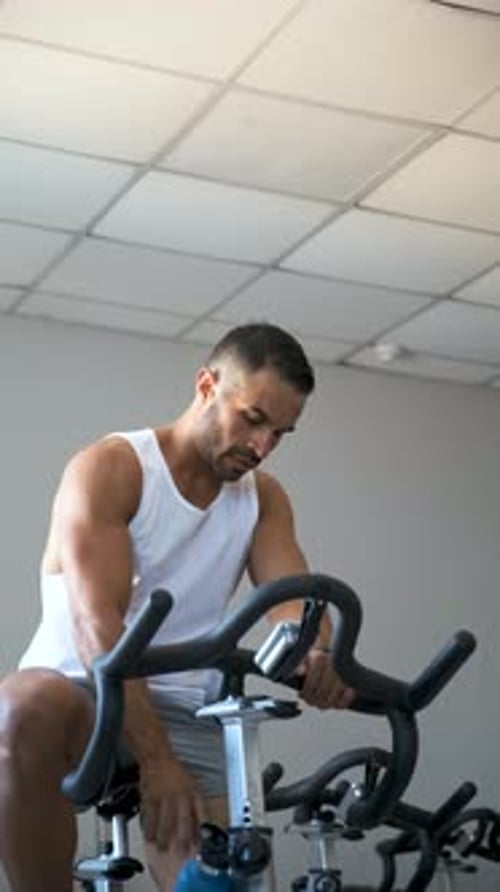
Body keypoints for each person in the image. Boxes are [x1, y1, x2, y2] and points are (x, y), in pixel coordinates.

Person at [0, 323, 354, 892]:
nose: (261, 447)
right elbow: (100, 630)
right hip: (88, 694)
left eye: (281, 434)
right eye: (253, 419)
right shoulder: (112, 469)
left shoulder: (262, 499)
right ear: (207, 385)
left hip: (190, 709)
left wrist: (316, 652)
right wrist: (155, 758)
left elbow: (293, 600)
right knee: (19, 704)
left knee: (211, 880)